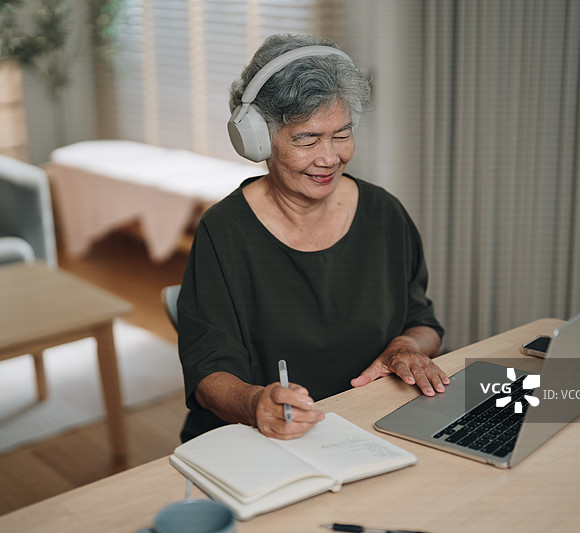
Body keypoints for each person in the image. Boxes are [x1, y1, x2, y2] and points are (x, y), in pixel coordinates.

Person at [177, 34, 447, 443]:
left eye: (341, 134)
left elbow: (423, 322)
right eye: (306, 139)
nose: (329, 158)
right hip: (263, 439)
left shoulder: (384, 213)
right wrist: (255, 403)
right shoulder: (225, 232)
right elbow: (208, 370)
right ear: (260, 140)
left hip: (372, 427)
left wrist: (405, 347)